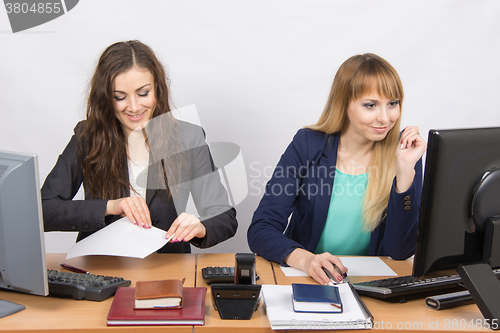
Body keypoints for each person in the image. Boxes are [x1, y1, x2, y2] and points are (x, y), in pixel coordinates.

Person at [42, 40, 237, 252]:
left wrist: (200, 227)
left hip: (166, 270)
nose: (134, 107)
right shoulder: (87, 136)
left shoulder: (188, 137)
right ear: (106, 97)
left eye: (143, 93)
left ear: (158, 91)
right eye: (120, 97)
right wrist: (111, 207)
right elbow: (43, 209)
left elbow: (224, 216)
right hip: (100, 270)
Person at [247, 53, 426, 284]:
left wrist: (404, 173)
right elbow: (262, 228)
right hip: (307, 278)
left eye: (392, 103)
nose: (385, 117)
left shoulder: (404, 154)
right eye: (370, 105)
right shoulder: (308, 144)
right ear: (344, 104)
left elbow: (400, 251)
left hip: (371, 283)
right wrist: (306, 260)